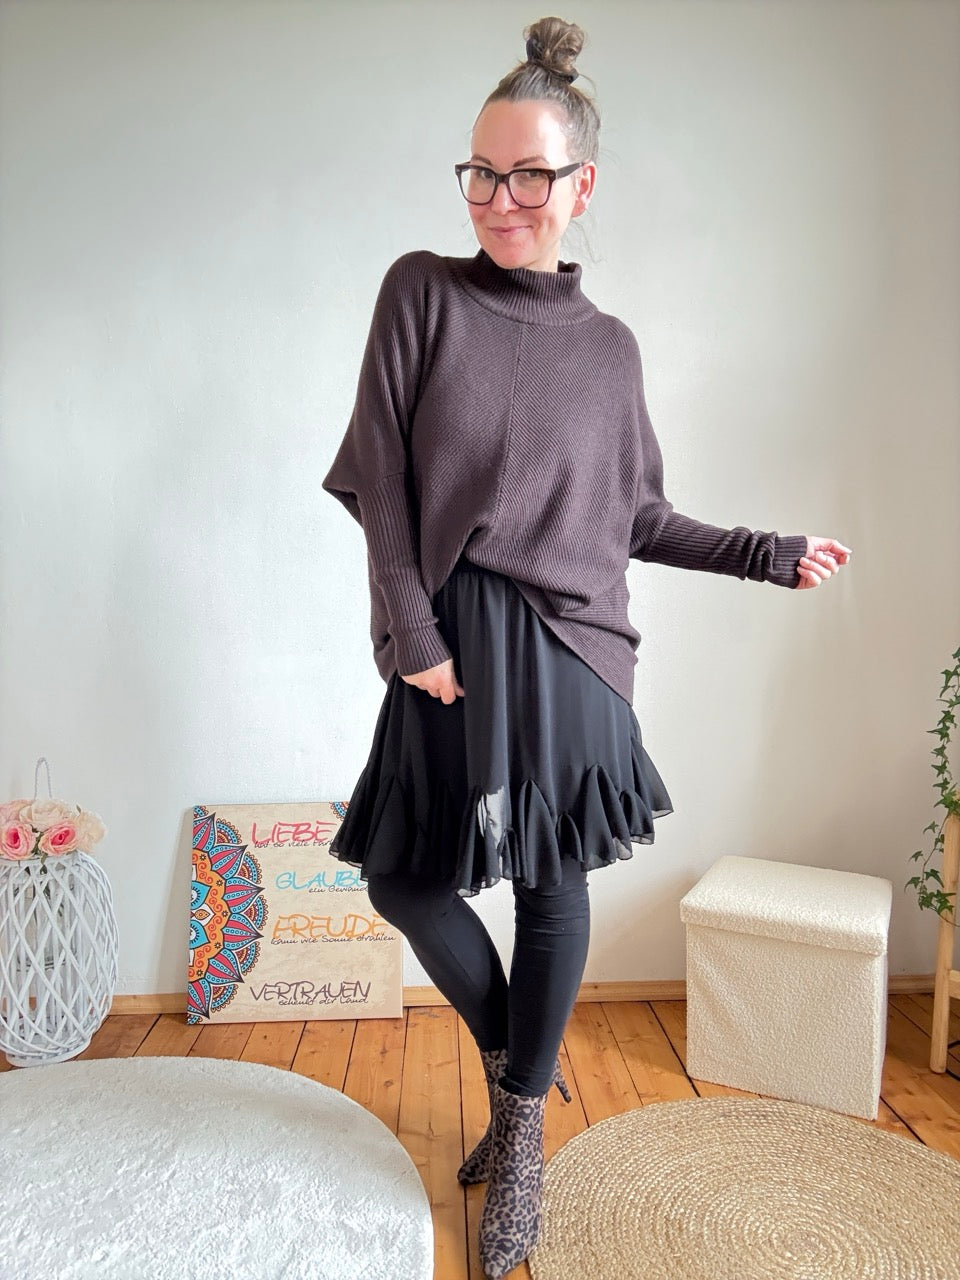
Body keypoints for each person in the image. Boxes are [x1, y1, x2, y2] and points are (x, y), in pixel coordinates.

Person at [321, 16, 852, 1278]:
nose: (499, 200)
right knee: (404, 878)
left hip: (570, 650)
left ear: (582, 185)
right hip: (450, 643)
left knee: (552, 888)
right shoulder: (421, 292)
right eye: (481, 173)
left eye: (529, 176)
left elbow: (638, 516)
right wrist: (413, 632)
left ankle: (518, 1132)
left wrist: (767, 550)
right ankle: (524, 1068)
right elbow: (382, 479)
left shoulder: (610, 351)